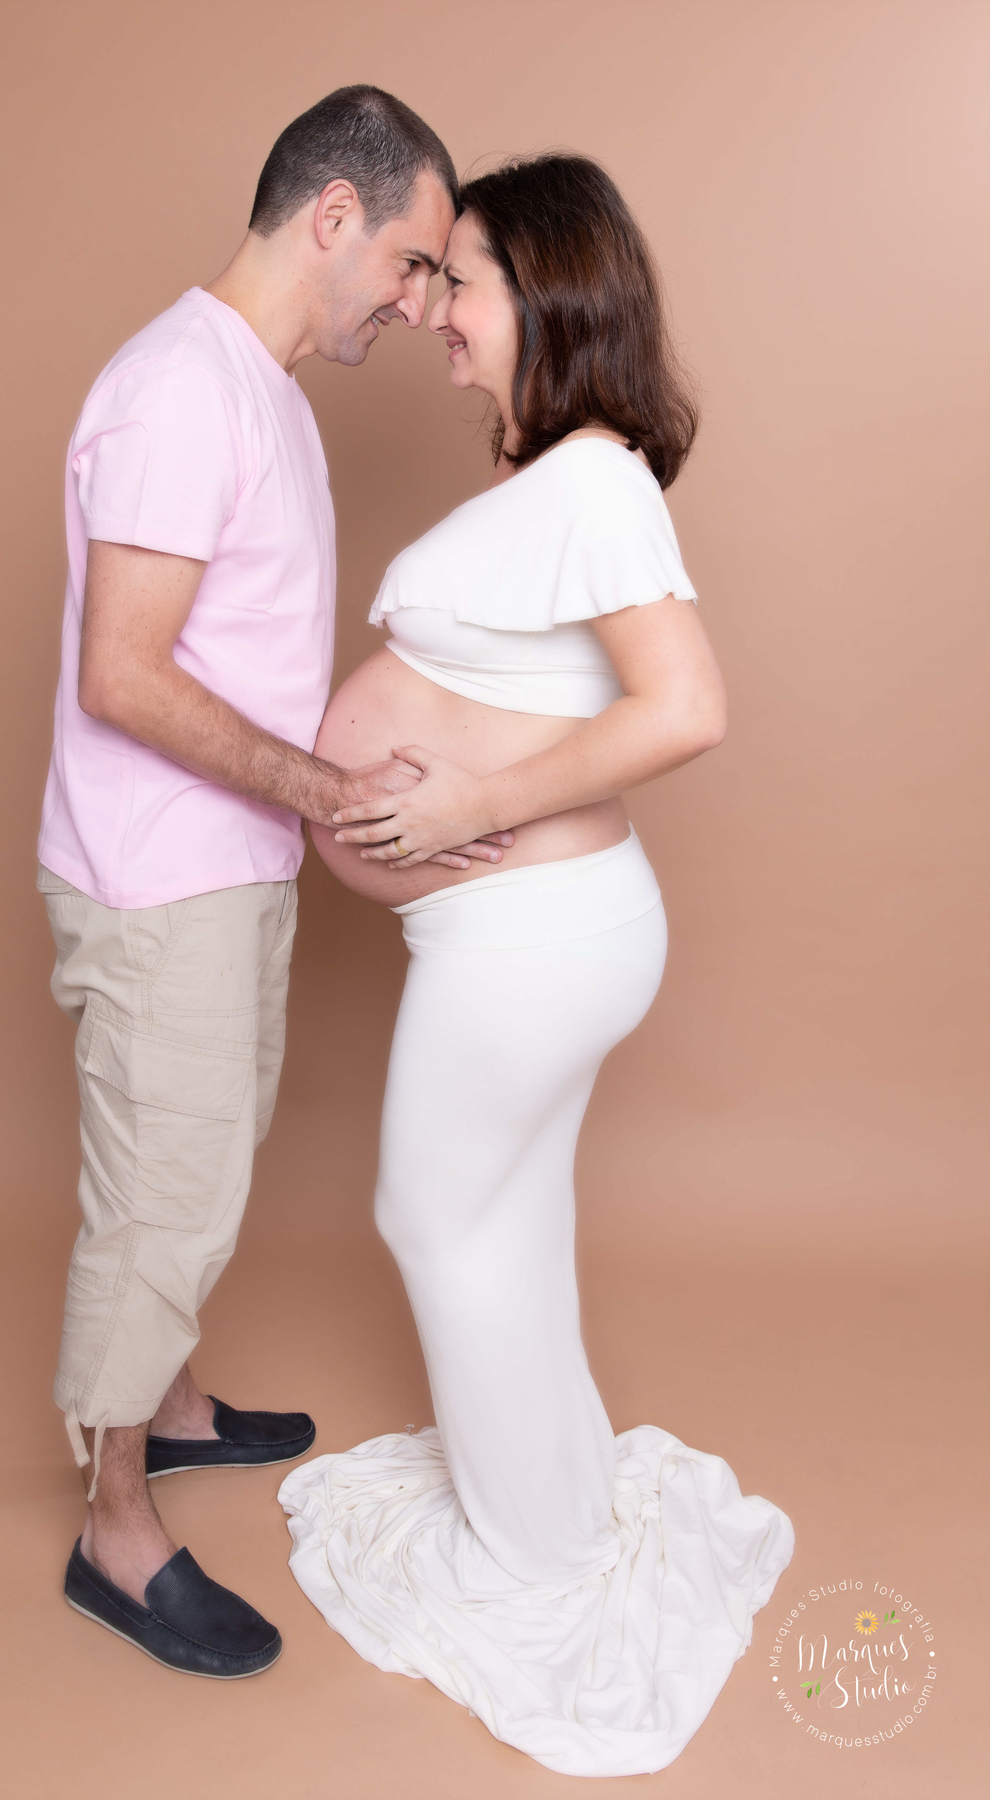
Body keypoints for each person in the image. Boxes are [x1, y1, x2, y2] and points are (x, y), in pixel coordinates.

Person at [278, 154, 795, 1775]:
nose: (438, 307)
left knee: (433, 1215)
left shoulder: (594, 481)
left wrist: (477, 805)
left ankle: (542, 1561)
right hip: (526, 935)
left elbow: (687, 706)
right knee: (505, 1214)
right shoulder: (561, 479)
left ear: (551, 291)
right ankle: (556, 1500)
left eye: (467, 277)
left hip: (529, 932)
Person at [35, 85, 514, 1680]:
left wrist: (427, 770)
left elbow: (247, 656)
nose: (422, 297)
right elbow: (123, 675)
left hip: (226, 868)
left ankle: (169, 1408)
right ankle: (114, 1526)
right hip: (154, 877)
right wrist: (328, 793)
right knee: (158, 1194)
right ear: (332, 216)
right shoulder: (178, 389)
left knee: (209, 1156)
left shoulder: (267, 397)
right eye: (414, 259)